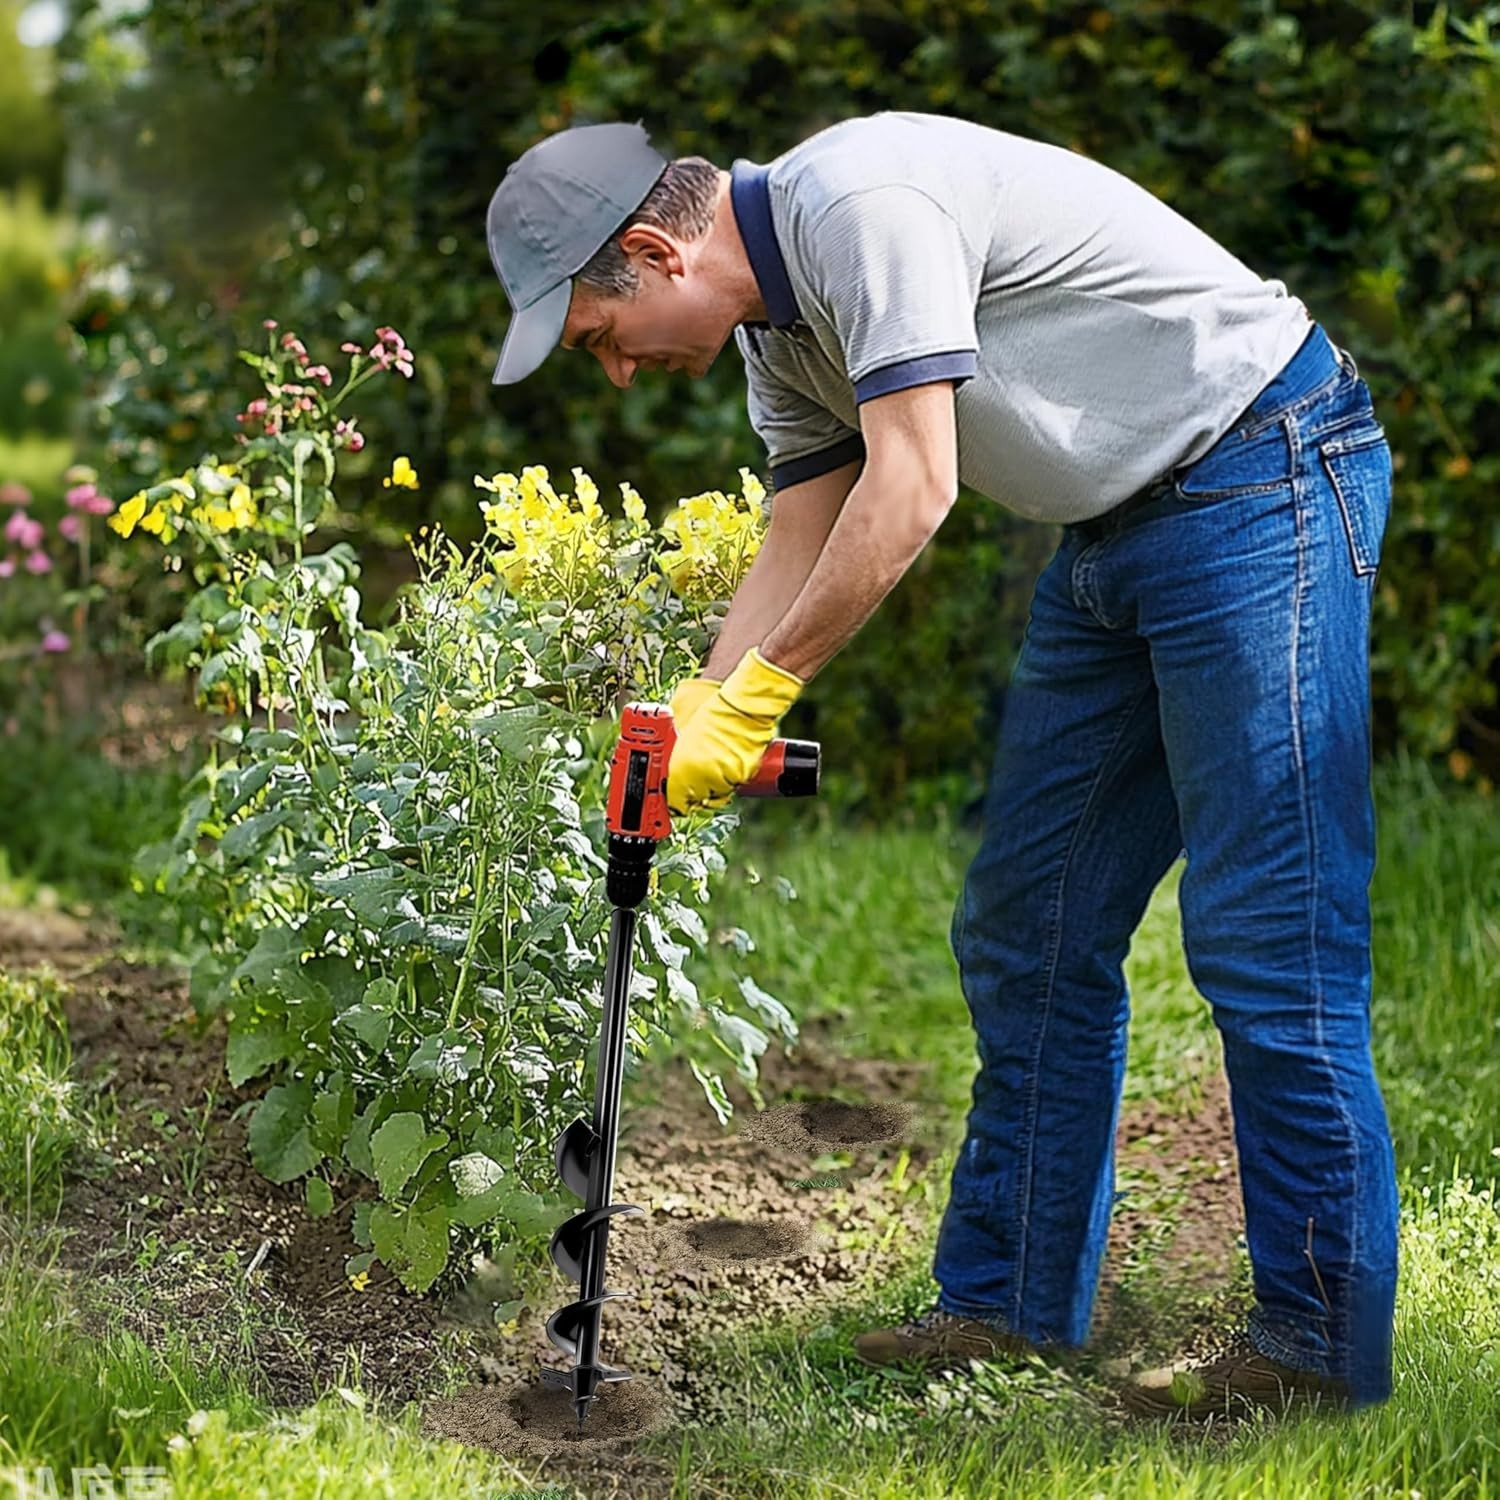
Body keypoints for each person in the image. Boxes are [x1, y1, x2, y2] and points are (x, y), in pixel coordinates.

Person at [484, 111, 1398, 1419]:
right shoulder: (775, 331)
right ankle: (1008, 1312)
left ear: (652, 251)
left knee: (1269, 933)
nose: (617, 373)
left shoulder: (859, 204)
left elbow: (911, 487)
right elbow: (806, 521)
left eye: (597, 338)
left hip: (1261, 476)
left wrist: (757, 697)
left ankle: (1320, 1353)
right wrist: (698, 707)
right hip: (1117, 532)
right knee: (1029, 925)